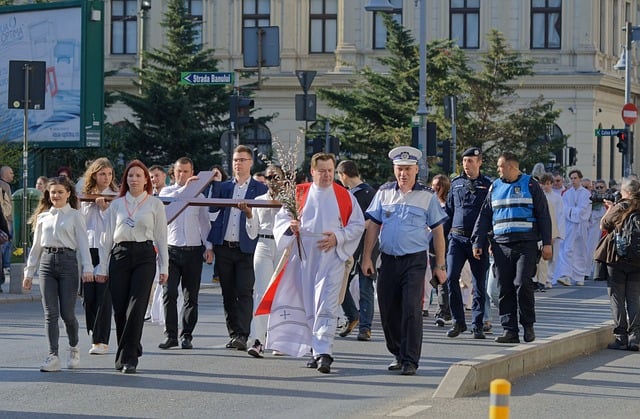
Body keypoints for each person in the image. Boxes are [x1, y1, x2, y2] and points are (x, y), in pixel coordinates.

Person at [259, 152, 364, 374]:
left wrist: (339, 238)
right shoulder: (299, 193)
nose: (327, 175)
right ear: (312, 172)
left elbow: (357, 225)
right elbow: (282, 220)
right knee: (309, 304)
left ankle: (325, 352)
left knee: (326, 304)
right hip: (304, 256)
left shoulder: (344, 196)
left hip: (331, 257)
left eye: (330, 171)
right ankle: (314, 349)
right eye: (322, 171)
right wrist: (292, 227)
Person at [362, 146, 448, 376]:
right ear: (394, 169)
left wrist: (440, 265)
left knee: (411, 308)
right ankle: (398, 352)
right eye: (400, 169)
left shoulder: (427, 196)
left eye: (408, 169)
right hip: (388, 260)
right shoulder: (383, 193)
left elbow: (438, 232)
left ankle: (410, 359)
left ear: (416, 170)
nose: (403, 174)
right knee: (388, 310)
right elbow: (372, 226)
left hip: (414, 261)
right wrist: (367, 257)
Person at [471, 152, 552, 344]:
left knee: (522, 283)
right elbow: (484, 216)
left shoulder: (530, 185)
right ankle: (510, 330)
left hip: (526, 244)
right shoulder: (495, 187)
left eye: (501, 166)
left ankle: (528, 324)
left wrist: (547, 243)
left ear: (512, 167)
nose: (498, 170)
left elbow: (543, 215)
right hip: (500, 245)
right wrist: (477, 241)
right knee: (505, 287)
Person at [96, 160, 169, 374]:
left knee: (136, 308)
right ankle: (131, 346)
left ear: (146, 179)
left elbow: (161, 237)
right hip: (120, 255)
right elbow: (106, 238)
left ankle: (128, 358)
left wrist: (164, 267)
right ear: (125, 180)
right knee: (120, 310)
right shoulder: (117, 205)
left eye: (138, 175)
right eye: (130, 176)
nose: (134, 179)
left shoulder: (154, 204)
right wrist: (101, 267)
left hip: (145, 256)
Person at [22, 176, 93, 372]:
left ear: (68, 193)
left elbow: (83, 244)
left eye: (60, 192)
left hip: (68, 263)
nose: (56, 195)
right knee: (50, 313)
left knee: (67, 314)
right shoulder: (43, 217)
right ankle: (53, 356)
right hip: (46, 264)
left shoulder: (76, 216)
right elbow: (36, 247)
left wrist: (87, 268)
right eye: (53, 192)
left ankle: (74, 348)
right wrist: (28, 273)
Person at [207, 145, 268, 351]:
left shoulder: (260, 189)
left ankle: (243, 333)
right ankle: (233, 334)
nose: (238, 164)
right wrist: (213, 184)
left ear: (250, 163)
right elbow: (212, 211)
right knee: (227, 292)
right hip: (224, 246)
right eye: (235, 160)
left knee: (244, 291)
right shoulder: (224, 187)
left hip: (246, 248)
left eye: (242, 160)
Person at [158, 157, 213, 350]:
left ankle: (187, 335)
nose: (182, 175)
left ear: (193, 173)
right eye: (179, 171)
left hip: (192, 250)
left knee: (191, 296)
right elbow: (169, 207)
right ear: (173, 173)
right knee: (169, 293)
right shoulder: (166, 192)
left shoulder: (200, 197)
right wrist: (187, 189)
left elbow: (204, 223)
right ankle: (170, 335)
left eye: (186, 172)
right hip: (171, 250)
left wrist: (209, 247)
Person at [444, 147, 493, 339]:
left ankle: (478, 324)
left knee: (478, 284)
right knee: (451, 278)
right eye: (464, 161)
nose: (467, 164)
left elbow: (490, 216)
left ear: (479, 162)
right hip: (456, 238)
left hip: (477, 240)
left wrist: (488, 240)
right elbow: (448, 213)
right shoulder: (456, 184)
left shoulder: (488, 185)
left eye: (471, 161)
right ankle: (458, 322)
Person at [594, 177, 640, 351]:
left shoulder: (621, 206)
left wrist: (610, 209)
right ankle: (636, 338)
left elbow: (603, 225)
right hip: (637, 260)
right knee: (634, 298)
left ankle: (621, 338)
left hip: (617, 258)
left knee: (617, 298)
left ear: (626, 191)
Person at [336, 160, 379, 341]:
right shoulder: (347, 193)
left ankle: (365, 327)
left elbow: (374, 219)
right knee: (341, 282)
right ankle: (352, 315)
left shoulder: (368, 193)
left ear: (343, 174)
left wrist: (355, 227)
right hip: (349, 245)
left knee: (365, 285)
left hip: (366, 245)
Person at [80, 158, 119, 355]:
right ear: (94, 174)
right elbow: (81, 224)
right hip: (88, 250)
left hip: (106, 249)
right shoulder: (84, 196)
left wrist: (104, 209)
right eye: (102, 173)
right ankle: (93, 329)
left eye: (109, 174)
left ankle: (101, 340)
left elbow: (114, 226)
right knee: (88, 296)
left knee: (104, 296)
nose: (106, 177)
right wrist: (90, 205)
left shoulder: (116, 197)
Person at [246, 165, 285, 357]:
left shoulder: (289, 201)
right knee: (261, 293)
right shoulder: (258, 201)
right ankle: (258, 340)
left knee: (280, 294)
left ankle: (278, 339)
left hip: (282, 247)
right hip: (263, 244)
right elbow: (252, 233)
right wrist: (249, 215)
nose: (273, 181)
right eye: (269, 177)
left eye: (276, 177)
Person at [554, 169, 592, 286]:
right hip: (570, 224)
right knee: (567, 248)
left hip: (581, 224)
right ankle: (566, 275)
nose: (573, 180)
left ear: (580, 178)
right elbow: (564, 209)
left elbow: (584, 210)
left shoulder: (586, 194)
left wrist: (573, 212)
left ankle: (580, 276)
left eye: (575, 178)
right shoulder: (567, 194)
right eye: (572, 178)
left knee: (581, 249)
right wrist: (574, 212)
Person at [429, 174, 452, 326]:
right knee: (437, 281)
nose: (435, 188)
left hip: (445, 247)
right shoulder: (429, 203)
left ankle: (442, 311)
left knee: (442, 280)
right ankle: (447, 310)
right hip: (430, 247)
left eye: (439, 185)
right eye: (434, 185)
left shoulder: (448, 206)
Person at [538, 173, 564, 289]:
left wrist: (556, 233)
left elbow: (559, 216)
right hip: (543, 231)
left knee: (554, 257)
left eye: (549, 184)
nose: (546, 186)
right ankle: (543, 279)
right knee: (542, 257)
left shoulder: (557, 198)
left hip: (554, 230)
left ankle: (550, 278)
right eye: (544, 184)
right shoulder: (539, 197)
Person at [0, 166, 14, 281]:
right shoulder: (4, 186)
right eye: (11, 173)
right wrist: (8, 221)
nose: (13, 175)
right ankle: (5, 266)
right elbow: (6, 205)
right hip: (4, 220)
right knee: (5, 245)